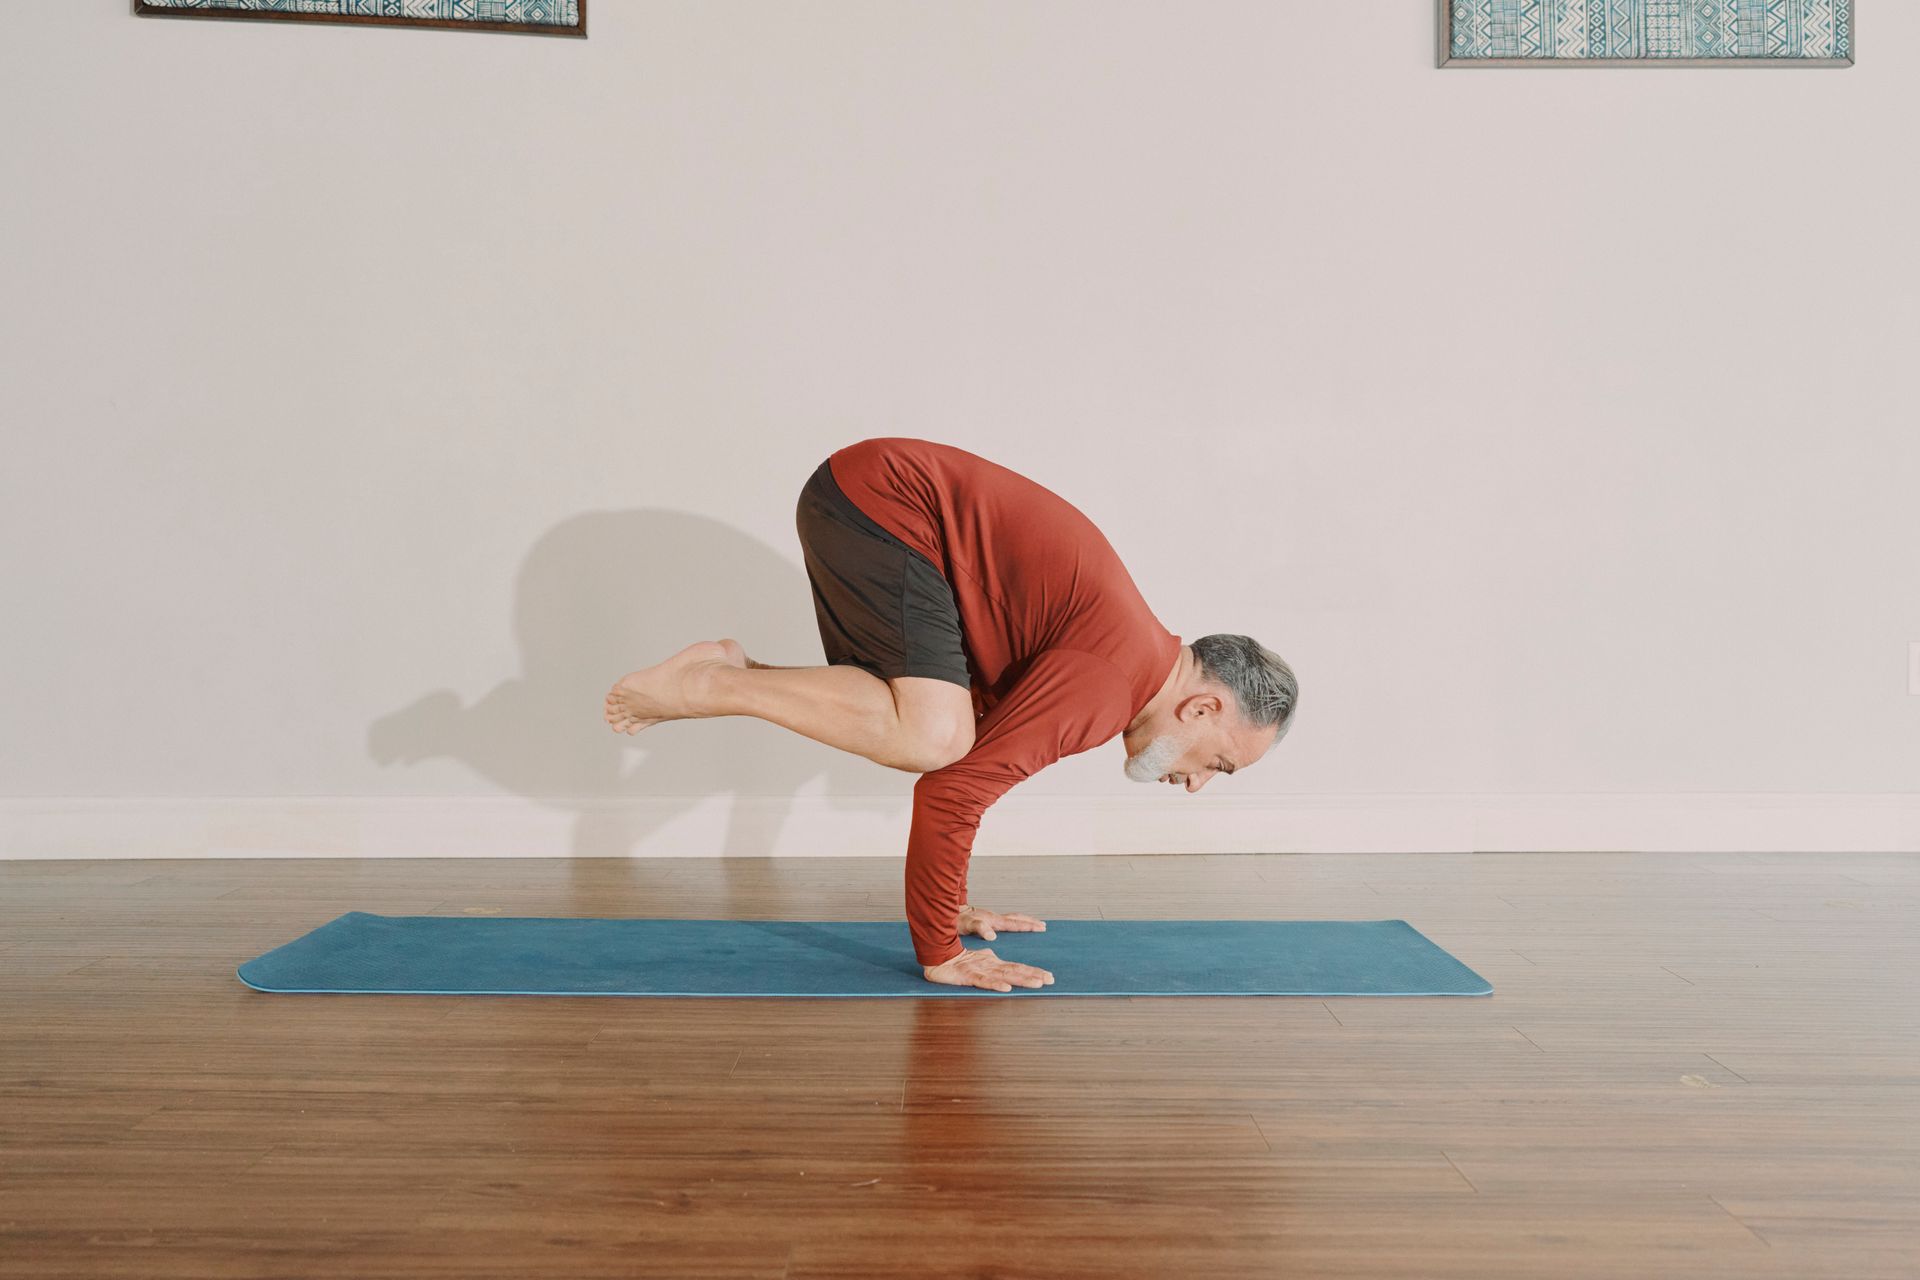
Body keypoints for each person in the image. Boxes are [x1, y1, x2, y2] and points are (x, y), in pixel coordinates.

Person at [604, 437, 1298, 992]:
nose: (1199, 781)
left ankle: (730, 671)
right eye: (1219, 763)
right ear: (1203, 705)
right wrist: (941, 949)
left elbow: (966, 767)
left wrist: (954, 907)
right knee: (932, 735)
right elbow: (952, 790)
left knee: (940, 725)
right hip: (881, 501)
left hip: (869, 497)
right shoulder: (1108, 680)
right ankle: (708, 683)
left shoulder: (1122, 656)